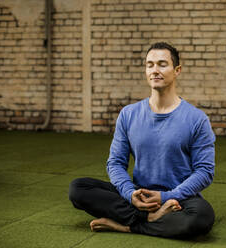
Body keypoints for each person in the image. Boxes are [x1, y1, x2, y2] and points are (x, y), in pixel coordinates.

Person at [69, 42, 216, 238]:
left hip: (178, 199)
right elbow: (115, 162)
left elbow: (205, 171)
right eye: (150, 65)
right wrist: (130, 193)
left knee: (202, 217)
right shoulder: (128, 114)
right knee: (78, 188)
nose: (155, 70)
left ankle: (129, 225)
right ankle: (150, 218)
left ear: (177, 70)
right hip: (140, 194)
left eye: (162, 64)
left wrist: (167, 196)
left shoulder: (197, 119)